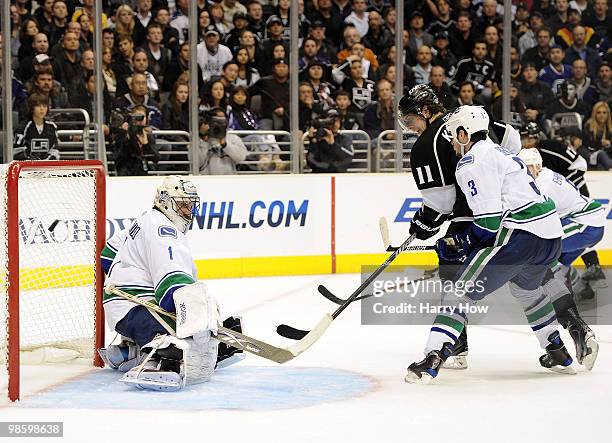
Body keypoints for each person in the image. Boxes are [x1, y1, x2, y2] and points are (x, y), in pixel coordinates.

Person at [405, 105, 575, 384]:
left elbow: (489, 224)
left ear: (464, 133)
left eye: (453, 136)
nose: (452, 143)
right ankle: (556, 350)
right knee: (526, 291)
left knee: (459, 291)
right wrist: (465, 241)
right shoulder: (502, 152)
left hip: (521, 237)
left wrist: (461, 241)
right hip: (550, 236)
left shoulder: (471, 162)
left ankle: (433, 356)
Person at [99, 176, 243, 391]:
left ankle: (126, 351)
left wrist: (129, 275)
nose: (189, 212)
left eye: (192, 206)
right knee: (191, 331)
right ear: (166, 202)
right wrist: (200, 321)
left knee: (191, 318)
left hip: (123, 308)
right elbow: (171, 288)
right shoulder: (164, 230)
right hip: (133, 308)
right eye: (184, 205)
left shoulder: (146, 219)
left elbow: (107, 255)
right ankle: (156, 362)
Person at [520, 122, 608, 292]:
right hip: (583, 216)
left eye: (529, 167)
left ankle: (583, 274)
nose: (525, 171)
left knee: (543, 248)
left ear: (538, 165)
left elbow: (535, 218)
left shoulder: (544, 182)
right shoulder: (543, 173)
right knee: (559, 258)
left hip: (585, 221)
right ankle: (579, 287)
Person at [110, 104, 158, 176]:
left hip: (143, 172)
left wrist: (146, 144)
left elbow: (156, 158)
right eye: (137, 116)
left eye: (142, 117)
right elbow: (118, 157)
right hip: (126, 172)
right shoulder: (123, 134)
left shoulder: (148, 135)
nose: (140, 120)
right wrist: (124, 134)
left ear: (147, 119)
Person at [196, 108, 248, 175]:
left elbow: (241, 157)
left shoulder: (232, 137)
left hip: (228, 180)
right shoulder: (198, 139)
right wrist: (203, 141)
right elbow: (196, 163)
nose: (219, 124)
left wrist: (225, 145)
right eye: (216, 120)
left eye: (222, 120)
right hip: (206, 180)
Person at [306, 107, 354, 173]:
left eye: (337, 120)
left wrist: (333, 144)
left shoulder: (345, 139)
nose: (334, 124)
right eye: (331, 121)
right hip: (319, 175)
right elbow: (310, 160)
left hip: (339, 175)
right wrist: (313, 141)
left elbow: (348, 158)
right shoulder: (318, 138)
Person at [13, 92, 59, 161]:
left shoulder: (52, 127)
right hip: (26, 167)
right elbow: (16, 151)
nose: (42, 109)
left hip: (47, 167)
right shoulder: (23, 127)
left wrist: (47, 161)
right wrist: (30, 160)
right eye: (38, 106)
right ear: (32, 108)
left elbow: (55, 150)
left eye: (44, 106)